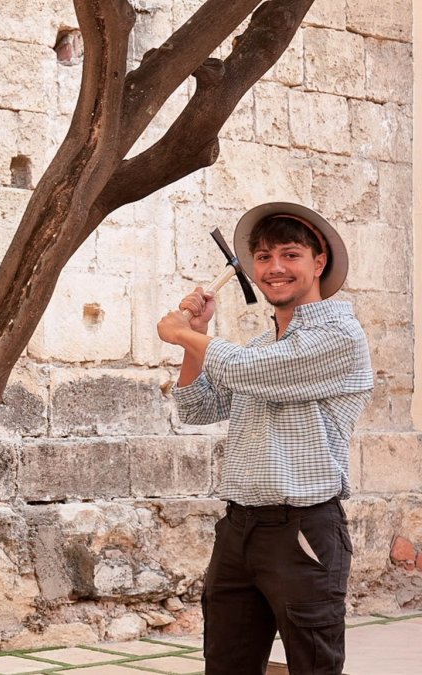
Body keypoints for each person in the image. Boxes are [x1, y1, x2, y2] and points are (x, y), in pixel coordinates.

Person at [157, 202, 373, 674]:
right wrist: (198, 335)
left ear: (319, 262)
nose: (274, 268)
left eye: (290, 255)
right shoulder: (259, 344)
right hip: (238, 530)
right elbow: (197, 408)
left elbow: (250, 371)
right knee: (226, 665)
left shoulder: (340, 336)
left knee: (311, 666)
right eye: (263, 256)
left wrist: (181, 336)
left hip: (303, 531)